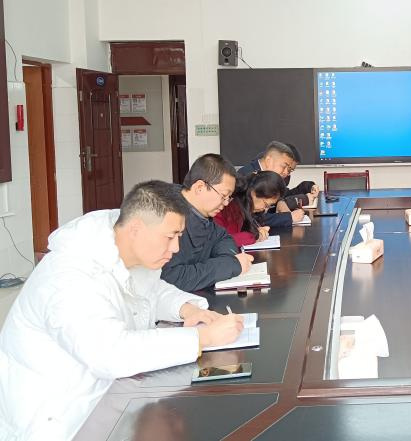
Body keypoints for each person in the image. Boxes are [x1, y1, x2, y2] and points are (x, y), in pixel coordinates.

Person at [0, 181, 244, 441]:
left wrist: (186, 308)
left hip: (107, 400)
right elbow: (111, 353)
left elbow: (150, 290)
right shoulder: (69, 278)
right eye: (170, 236)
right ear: (136, 229)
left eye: (179, 237)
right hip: (60, 419)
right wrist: (202, 338)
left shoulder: (124, 246)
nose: (175, 247)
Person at [161, 154, 254, 292]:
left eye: (229, 198)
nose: (226, 203)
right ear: (199, 187)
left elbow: (223, 237)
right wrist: (227, 265)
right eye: (223, 196)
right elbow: (171, 278)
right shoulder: (166, 216)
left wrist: (227, 259)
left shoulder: (201, 214)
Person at [236, 141, 306, 227]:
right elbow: (250, 218)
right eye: (284, 166)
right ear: (269, 160)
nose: (285, 172)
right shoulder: (246, 176)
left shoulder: (269, 178)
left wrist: (280, 201)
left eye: (288, 169)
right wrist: (288, 217)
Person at [215, 170, 287, 246]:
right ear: (253, 192)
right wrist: (254, 236)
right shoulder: (227, 207)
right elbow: (223, 241)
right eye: (265, 204)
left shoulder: (245, 208)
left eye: (269, 206)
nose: (265, 209)